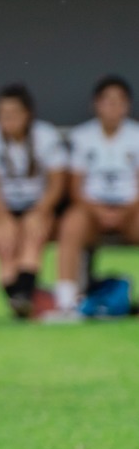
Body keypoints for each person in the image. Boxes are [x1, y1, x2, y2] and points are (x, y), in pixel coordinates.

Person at [0, 85, 68, 317]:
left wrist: (39, 211)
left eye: (14, 113)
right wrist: (4, 219)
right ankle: (23, 298)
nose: (8, 119)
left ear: (27, 114)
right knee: (5, 243)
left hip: (37, 205)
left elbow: (57, 183)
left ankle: (24, 299)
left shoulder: (46, 135)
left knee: (33, 237)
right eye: (2, 114)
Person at [52, 76, 139, 319]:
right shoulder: (82, 136)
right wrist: (99, 212)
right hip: (91, 211)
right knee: (71, 224)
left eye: (119, 101)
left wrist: (124, 212)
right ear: (96, 104)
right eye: (107, 101)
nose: (113, 107)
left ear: (127, 105)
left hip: (131, 210)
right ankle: (67, 303)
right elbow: (76, 188)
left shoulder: (137, 135)